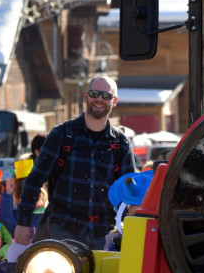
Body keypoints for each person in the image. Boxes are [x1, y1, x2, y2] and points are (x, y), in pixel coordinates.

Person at [14, 75, 135, 250]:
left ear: (114, 101)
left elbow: (128, 192)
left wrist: (129, 227)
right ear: (86, 96)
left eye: (106, 96)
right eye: (95, 93)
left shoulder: (121, 143)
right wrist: (23, 222)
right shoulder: (61, 135)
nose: (100, 99)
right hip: (62, 228)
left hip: (105, 233)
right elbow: (35, 179)